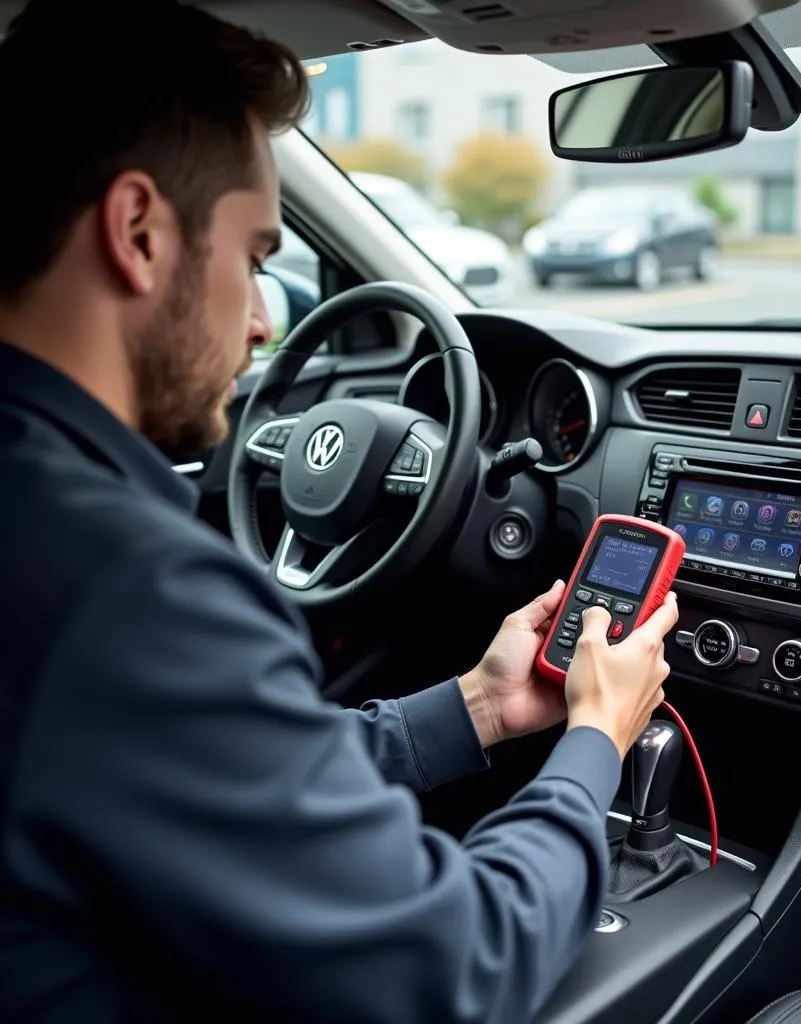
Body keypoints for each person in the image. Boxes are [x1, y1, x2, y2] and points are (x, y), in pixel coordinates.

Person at [0, 2, 679, 1022]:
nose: (266, 319)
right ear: (138, 232)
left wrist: (480, 707)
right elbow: (459, 966)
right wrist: (595, 739)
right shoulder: (128, 589)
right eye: (252, 255)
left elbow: (224, 778)